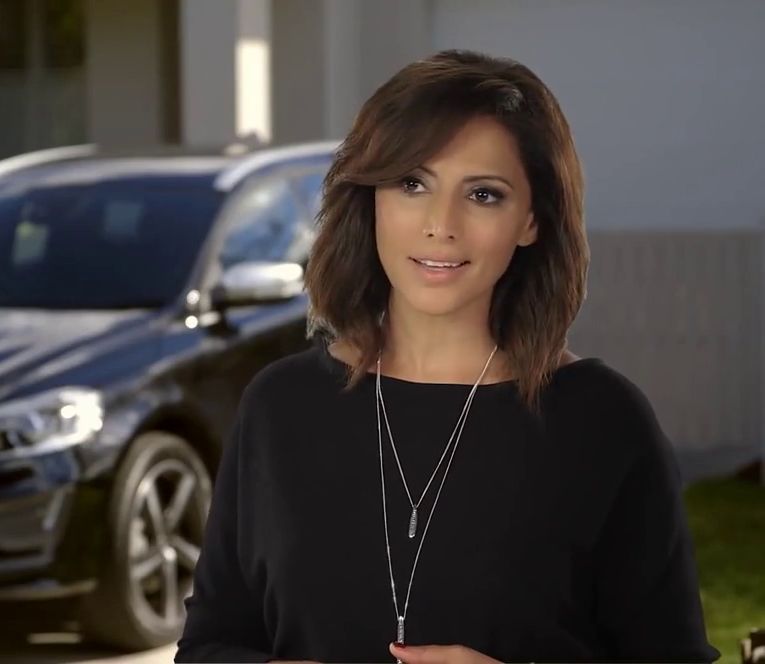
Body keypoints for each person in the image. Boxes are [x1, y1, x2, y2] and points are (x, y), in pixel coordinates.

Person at [174, 49, 720, 664]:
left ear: (532, 220)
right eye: (412, 184)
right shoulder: (280, 407)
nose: (441, 224)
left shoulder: (603, 421)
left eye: (483, 194)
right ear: (371, 198)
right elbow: (207, 648)